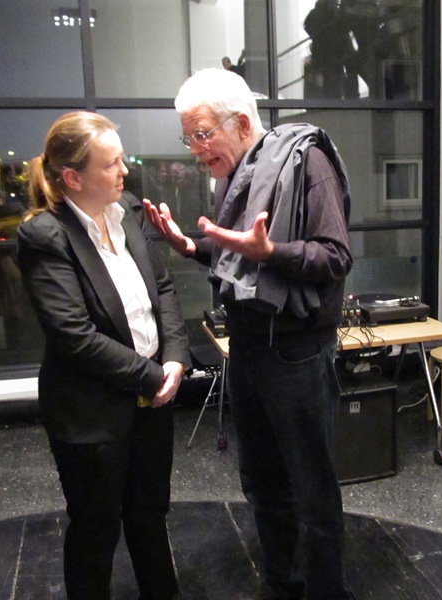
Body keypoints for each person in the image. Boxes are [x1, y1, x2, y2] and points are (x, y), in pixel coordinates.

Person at [146, 68, 354, 600]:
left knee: (312, 490)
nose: (196, 150)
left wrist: (271, 252)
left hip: (297, 353)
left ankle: (327, 592)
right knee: (262, 484)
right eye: (189, 138)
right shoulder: (235, 174)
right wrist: (192, 247)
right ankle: (283, 584)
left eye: (201, 134)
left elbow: (335, 256)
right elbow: (235, 257)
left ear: (241, 123)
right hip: (246, 351)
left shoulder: (307, 159)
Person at [17, 111, 191, 600]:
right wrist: (152, 377)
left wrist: (176, 357)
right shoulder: (46, 235)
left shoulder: (127, 209)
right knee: (96, 530)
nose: (124, 171)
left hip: (152, 400)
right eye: (111, 163)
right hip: (91, 413)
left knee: (150, 516)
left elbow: (162, 288)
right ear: (73, 178)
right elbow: (73, 335)